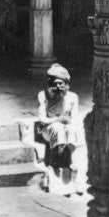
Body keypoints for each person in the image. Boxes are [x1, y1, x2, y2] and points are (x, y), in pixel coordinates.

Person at [34, 63, 86, 197]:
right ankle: (59, 155)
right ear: (50, 83)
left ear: (66, 83)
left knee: (70, 129)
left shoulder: (73, 97)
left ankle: (70, 159)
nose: (58, 87)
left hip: (65, 128)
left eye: (61, 83)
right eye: (55, 83)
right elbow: (42, 120)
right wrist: (56, 120)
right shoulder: (43, 95)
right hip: (48, 128)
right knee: (58, 128)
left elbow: (74, 119)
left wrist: (68, 121)